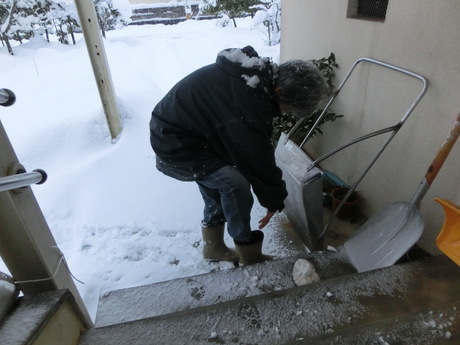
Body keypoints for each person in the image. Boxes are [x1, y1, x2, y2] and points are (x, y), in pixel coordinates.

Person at [150, 46, 326, 266]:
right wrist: (273, 200)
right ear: (279, 91)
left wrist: (270, 195)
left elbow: (251, 149)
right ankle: (247, 251)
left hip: (193, 135)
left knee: (219, 181)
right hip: (176, 143)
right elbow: (256, 157)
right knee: (234, 183)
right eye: (287, 109)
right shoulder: (247, 98)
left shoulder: (251, 80)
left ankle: (213, 247)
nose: (283, 113)